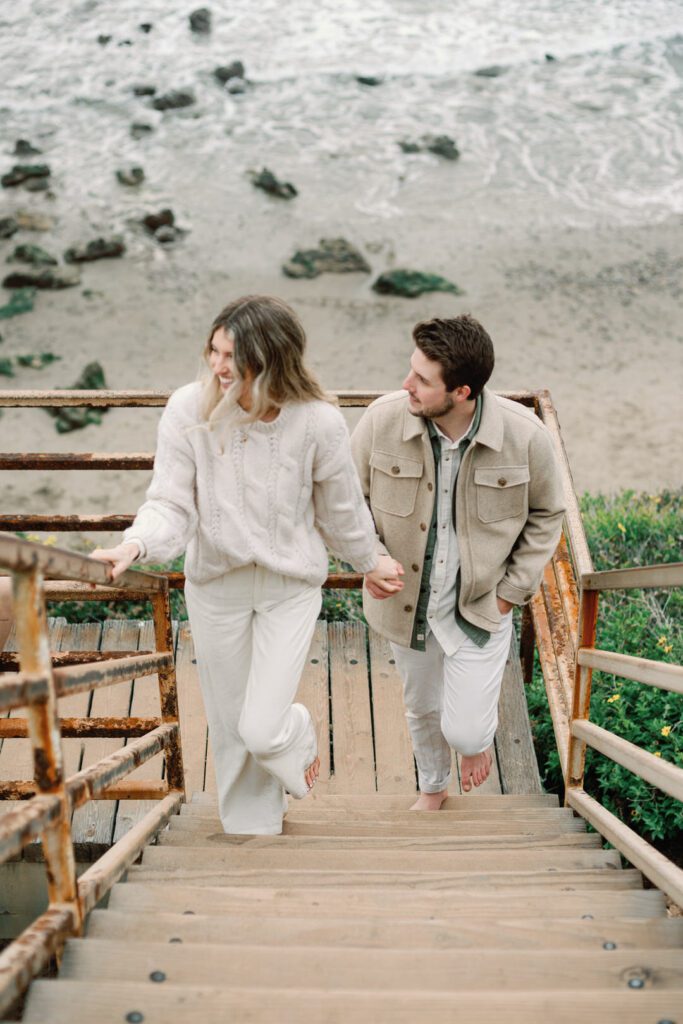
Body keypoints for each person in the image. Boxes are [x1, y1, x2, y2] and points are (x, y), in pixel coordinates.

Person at [92, 295, 398, 835]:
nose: (218, 365)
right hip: (216, 588)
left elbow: (341, 511)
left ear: (273, 358)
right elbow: (169, 503)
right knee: (232, 725)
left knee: (262, 727)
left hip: (289, 588)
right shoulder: (188, 409)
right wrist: (134, 546)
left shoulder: (320, 422)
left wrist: (370, 560)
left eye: (233, 355)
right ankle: (250, 832)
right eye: (213, 350)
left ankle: (294, 731)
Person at [351, 314, 565, 807]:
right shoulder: (382, 420)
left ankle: (474, 743)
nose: (406, 385)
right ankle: (433, 788)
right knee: (422, 707)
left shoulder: (525, 436)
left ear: (462, 391)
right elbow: (347, 501)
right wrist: (370, 558)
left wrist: (512, 594)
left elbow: (548, 511)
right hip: (407, 604)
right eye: (411, 370)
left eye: (422, 381)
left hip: (483, 606)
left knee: (466, 733)